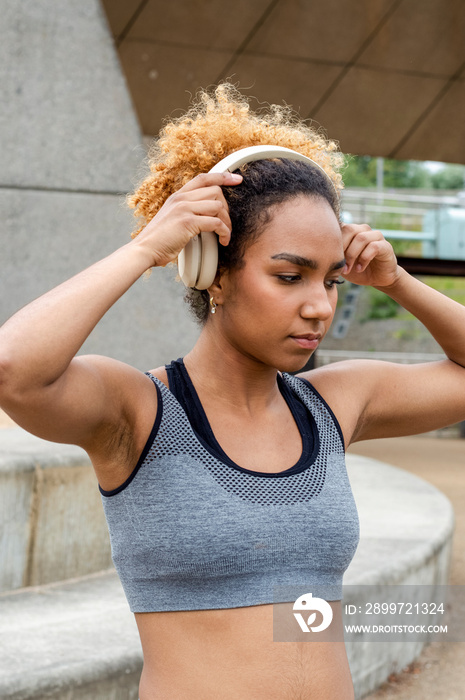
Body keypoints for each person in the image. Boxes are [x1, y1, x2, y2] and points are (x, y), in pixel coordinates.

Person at [0, 83, 464, 700]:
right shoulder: (137, 412)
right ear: (212, 271)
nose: (318, 306)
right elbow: (13, 369)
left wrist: (398, 281)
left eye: (330, 280)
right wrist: (145, 250)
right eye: (289, 276)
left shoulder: (335, 403)